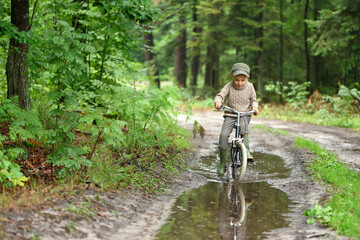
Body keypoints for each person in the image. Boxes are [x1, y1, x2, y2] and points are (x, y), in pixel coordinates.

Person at [214, 62, 259, 176]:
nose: (240, 83)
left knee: (244, 126)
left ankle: (246, 150)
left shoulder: (250, 87)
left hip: (244, 114)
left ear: (247, 78)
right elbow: (221, 95)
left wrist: (254, 107)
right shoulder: (229, 86)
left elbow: (254, 99)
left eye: (242, 80)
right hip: (230, 114)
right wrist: (218, 102)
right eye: (237, 80)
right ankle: (222, 162)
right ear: (232, 77)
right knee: (224, 135)